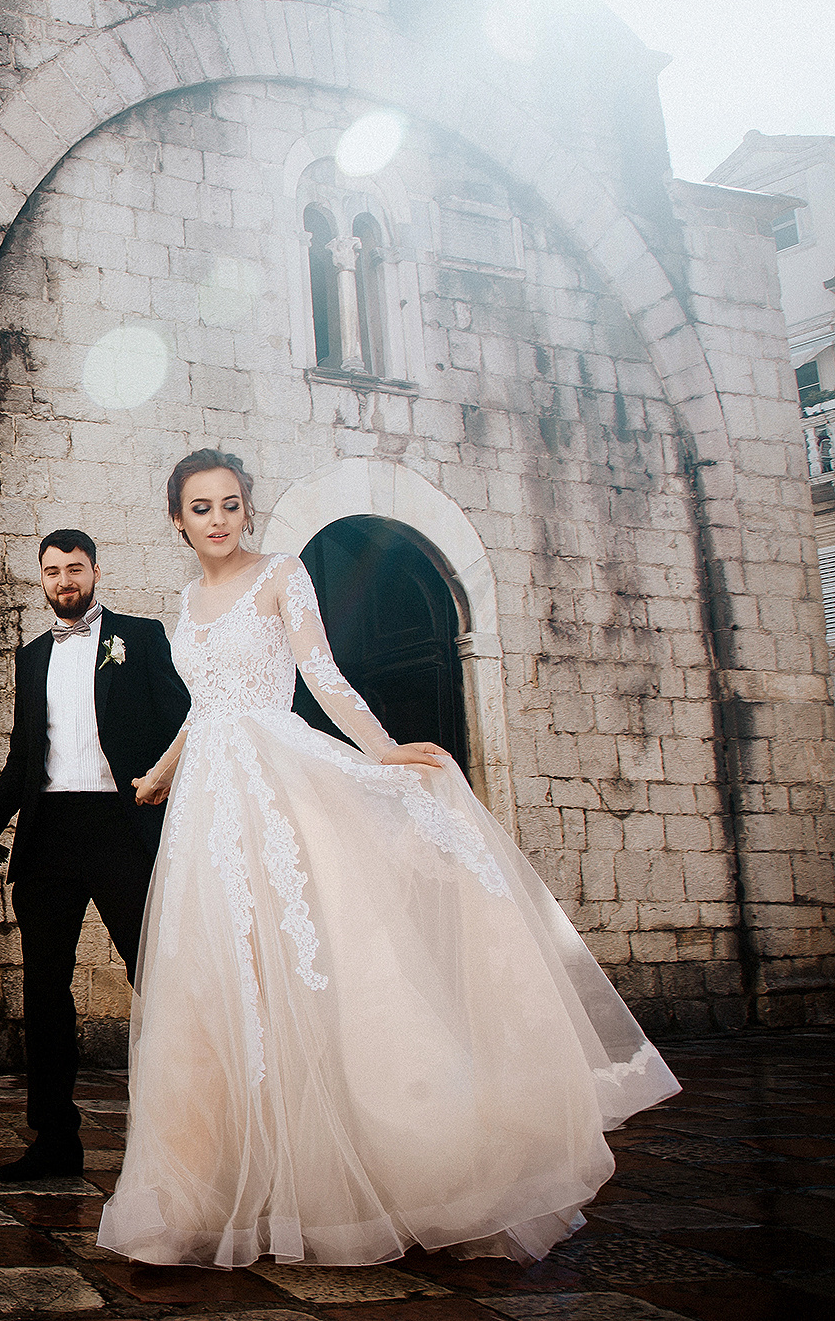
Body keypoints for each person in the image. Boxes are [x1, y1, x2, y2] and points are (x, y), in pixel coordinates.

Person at [97, 449, 680, 1266]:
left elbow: (322, 677)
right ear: (177, 519)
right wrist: (160, 774)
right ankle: (207, 1189)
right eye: (201, 508)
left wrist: (382, 750)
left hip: (276, 783)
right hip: (207, 810)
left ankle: (390, 1165)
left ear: (246, 509)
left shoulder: (282, 573)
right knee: (216, 985)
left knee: (322, 971)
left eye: (231, 503)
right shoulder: (186, 602)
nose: (219, 518)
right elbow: (205, 705)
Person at [0, 528, 190, 1182]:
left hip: (122, 823)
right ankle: (54, 1141)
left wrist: (161, 782)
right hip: (50, 833)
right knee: (44, 990)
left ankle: (190, 1134)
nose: (65, 580)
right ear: (41, 579)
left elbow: (186, 719)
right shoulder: (30, 657)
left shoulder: (143, 636)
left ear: (96, 570)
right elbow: (23, 756)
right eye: (53, 571)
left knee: (156, 976)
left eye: (75, 568)